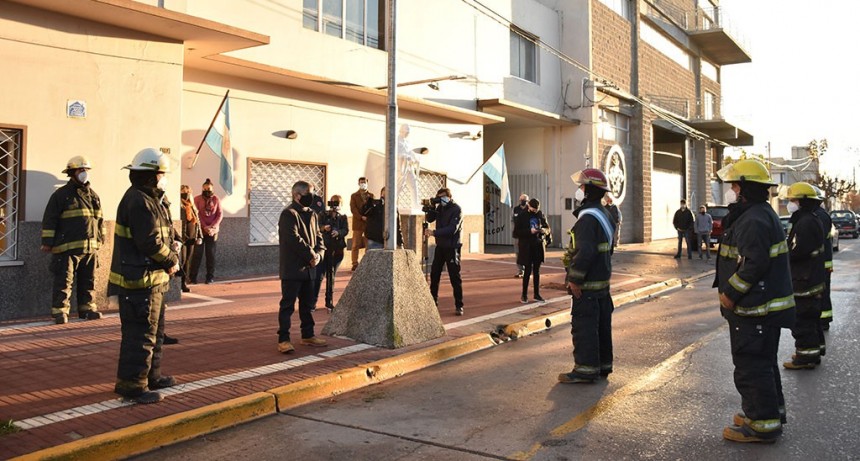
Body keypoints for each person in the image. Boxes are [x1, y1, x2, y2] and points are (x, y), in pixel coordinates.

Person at [714, 159, 795, 443]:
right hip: (760, 308)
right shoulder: (759, 214)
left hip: (754, 309)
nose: (732, 189)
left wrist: (730, 293)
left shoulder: (753, 219)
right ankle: (770, 412)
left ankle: (761, 425)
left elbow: (753, 264)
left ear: (745, 188)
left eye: (735, 185)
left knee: (751, 364)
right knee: (763, 362)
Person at [111, 148, 180, 404]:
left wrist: (175, 245)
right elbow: (149, 241)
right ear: (151, 175)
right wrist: (171, 260)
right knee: (140, 335)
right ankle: (132, 386)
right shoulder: (138, 201)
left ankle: (153, 376)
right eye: (161, 173)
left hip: (153, 281)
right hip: (139, 282)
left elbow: (162, 234)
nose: (164, 178)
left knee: (155, 332)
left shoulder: (152, 199)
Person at [559, 168, 615, 384]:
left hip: (588, 286)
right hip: (602, 285)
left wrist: (574, 279)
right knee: (602, 327)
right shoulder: (605, 215)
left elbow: (586, 252)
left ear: (589, 191)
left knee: (585, 328)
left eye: (582, 187)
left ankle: (585, 369)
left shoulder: (587, 219)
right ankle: (603, 365)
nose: (579, 190)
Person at [41, 156, 106, 324]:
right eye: (80, 170)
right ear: (72, 173)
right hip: (66, 248)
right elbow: (50, 219)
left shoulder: (94, 196)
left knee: (89, 280)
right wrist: (47, 241)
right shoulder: (61, 195)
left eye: (86, 170)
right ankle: (60, 312)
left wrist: (100, 238)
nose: (84, 174)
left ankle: (88, 309)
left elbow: (99, 220)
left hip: (89, 248)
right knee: (64, 281)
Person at [276, 181, 328, 354]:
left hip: (310, 269)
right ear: (297, 195)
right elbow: (293, 239)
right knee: (288, 305)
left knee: (307, 305)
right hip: (293, 269)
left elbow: (319, 238)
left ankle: (308, 335)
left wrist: (319, 255)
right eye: (308, 193)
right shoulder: (288, 214)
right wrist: (310, 255)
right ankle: (283, 339)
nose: (312, 197)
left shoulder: (313, 214)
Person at [782, 182, 826, 370]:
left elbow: (799, 251)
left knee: (802, 319)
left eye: (793, 200)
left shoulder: (806, 222)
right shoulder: (808, 219)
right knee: (811, 318)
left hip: (804, 280)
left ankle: (804, 357)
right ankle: (813, 353)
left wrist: (783, 256)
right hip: (810, 278)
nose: (790, 203)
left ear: (803, 202)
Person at [425, 188, 465, 315]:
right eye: (439, 197)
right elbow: (430, 219)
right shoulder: (440, 208)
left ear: (449, 197)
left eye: (443, 197)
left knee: (454, 276)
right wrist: (431, 206)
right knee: (435, 273)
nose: (441, 199)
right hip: (440, 246)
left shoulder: (456, 209)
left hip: (452, 247)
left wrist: (434, 233)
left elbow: (452, 229)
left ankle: (459, 305)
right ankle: (433, 300)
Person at [514, 198, 550, 304]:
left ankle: (536, 294)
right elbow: (516, 233)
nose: (535, 211)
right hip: (527, 247)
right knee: (527, 271)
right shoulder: (522, 216)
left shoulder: (540, 214)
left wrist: (544, 230)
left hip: (538, 245)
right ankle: (524, 294)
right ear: (528, 206)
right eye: (533, 209)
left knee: (537, 271)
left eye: (536, 210)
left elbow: (548, 228)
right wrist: (529, 231)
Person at [316, 195, 349, 312]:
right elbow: (317, 227)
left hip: (337, 250)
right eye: (333, 203)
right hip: (325, 249)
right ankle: (313, 301)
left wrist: (338, 232)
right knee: (319, 275)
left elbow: (346, 230)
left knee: (331, 275)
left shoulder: (343, 217)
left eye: (338, 204)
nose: (335, 206)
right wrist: (324, 228)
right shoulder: (323, 215)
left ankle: (329, 302)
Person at [189, 178, 222, 284]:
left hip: (213, 231)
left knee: (211, 254)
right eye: (205, 188)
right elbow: (196, 214)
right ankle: (193, 277)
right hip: (200, 230)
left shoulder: (216, 199)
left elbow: (220, 214)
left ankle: (210, 277)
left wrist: (213, 226)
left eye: (209, 189)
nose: (207, 190)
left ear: (212, 189)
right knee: (197, 254)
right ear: (202, 189)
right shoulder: (197, 199)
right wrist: (204, 227)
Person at [812, 187, 834, 338]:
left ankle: (824, 320)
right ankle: (823, 319)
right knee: (822, 292)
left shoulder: (819, 216)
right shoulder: (821, 215)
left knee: (822, 293)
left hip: (821, 262)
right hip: (823, 261)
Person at [179, 185, 202, 293]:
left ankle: (184, 282)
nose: (186, 194)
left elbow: (197, 222)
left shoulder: (192, 207)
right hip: (182, 238)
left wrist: (199, 236)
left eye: (188, 192)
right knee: (182, 260)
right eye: (183, 192)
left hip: (192, 237)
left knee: (188, 260)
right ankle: (178, 283)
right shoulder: (179, 207)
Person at [349, 177, 370, 271]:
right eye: (361, 182)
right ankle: (354, 263)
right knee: (355, 244)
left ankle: (366, 263)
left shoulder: (371, 195)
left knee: (368, 244)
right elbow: (353, 208)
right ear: (358, 183)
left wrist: (368, 217)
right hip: (358, 223)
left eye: (364, 182)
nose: (363, 184)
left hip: (368, 224)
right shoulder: (354, 196)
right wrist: (361, 217)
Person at [512, 194, 529, 278]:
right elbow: (513, 221)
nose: (522, 201)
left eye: (524, 200)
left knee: (526, 253)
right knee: (518, 253)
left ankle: (527, 270)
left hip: (526, 235)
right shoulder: (516, 209)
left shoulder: (529, 210)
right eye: (521, 199)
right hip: (518, 235)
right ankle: (520, 270)